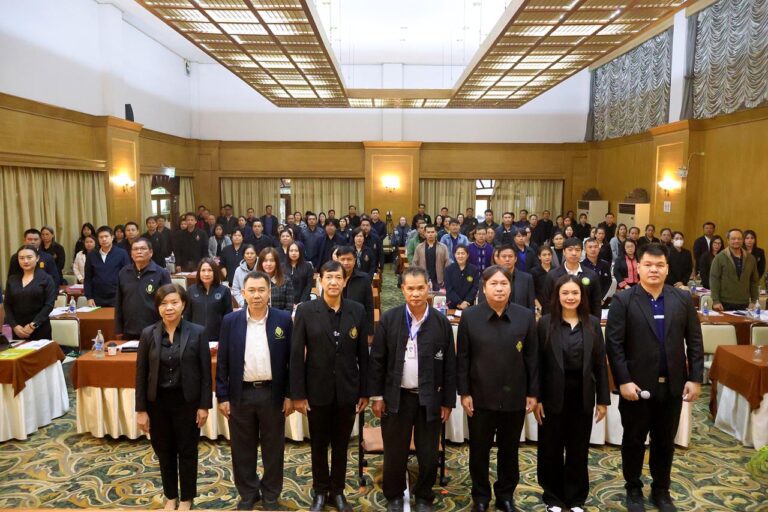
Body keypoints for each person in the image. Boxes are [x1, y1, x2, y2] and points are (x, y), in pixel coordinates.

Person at [606, 243, 704, 512]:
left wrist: (695, 378)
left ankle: (661, 490)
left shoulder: (681, 299)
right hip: (636, 388)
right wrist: (623, 380)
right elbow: (614, 345)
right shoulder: (624, 300)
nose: (654, 270)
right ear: (638, 267)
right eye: (648, 264)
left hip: (672, 386)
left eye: (660, 265)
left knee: (664, 442)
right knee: (634, 440)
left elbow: (695, 341)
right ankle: (633, 488)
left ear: (667, 269)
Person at [368, 267, 456, 512]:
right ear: (402, 290)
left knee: (428, 453)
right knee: (395, 451)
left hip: (430, 398)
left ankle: (424, 496)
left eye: (420, 288)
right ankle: (394, 495)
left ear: (428, 288)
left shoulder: (440, 322)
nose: (415, 293)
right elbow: (377, 360)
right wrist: (377, 396)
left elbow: (450, 365)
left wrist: (448, 401)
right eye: (410, 288)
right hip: (397, 397)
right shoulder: (390, 319)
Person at [457, 265, 538, 512]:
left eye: (504, 283)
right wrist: (464, 392)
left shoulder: (525, 316)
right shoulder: (470, 317)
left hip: (514, 397)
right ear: (484, 288)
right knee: (479, 450)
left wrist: (533, 393)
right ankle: (481, 496)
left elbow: (532, 358)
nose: (499, 288)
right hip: (480, 397)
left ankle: (505, 495)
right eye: (494, 284)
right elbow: (463, 358)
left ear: (511, 287)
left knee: (509, 450)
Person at [290, 261, 369, 512]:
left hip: (347, 390)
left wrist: (364, 391)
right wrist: (298, 394)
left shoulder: (357, 310)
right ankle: (320, 491)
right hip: (316, 390)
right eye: (329, 277)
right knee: (318, 445)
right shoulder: (306, 310)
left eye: (338, 277)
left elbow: (363, 355)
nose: (333, 282)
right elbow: (296, 355)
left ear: (345, 281)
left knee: (341, 445)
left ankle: (338, 491)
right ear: (320, 280)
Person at [219, 271, 294, 510]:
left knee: (274, 448)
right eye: (251, 291)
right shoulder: (230, 321)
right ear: (243, 293)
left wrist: (290, 394)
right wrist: (222, 396)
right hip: (240, 394)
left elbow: (292, 361)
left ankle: (271, 494)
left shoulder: (284, 320)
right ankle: (248, 493)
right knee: (242, 449)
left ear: (269, 292)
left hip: (273, 393)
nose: (257, 295)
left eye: (262, 290)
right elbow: (222, 362)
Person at [535, 274, 609, 512]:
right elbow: (537, 365)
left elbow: (600, 364)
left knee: (578, 449)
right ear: (557, 296)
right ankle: (553, 497)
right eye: (565, 293)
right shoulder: (545, 323)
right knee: (551, 449)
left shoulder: (592, 323)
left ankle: (576, 498)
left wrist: (603, 400)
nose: (570, 297)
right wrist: (537, 398)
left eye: (575, 293)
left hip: (582, 396)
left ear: (582, 296)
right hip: (552, 397)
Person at [135, 283, 212, 511]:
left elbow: (205, 373)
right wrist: (141, 410)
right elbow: (141, 374)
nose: (169, 308)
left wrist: (204, 406)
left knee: (187, 451)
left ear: (183, 305)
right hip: (157, 404)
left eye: (174, 302)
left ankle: (186, 497)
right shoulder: (148, 334)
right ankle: (170, 496)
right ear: (158, 307)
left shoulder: (198, 332)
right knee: (164, 452)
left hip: (187, 403)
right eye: (163, 303)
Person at [115, 239, 172, 341]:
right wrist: (118, 329)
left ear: (151, 252)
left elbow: (168, 303)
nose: (139, 251)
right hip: (129, 329)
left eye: (142, 248)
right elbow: (119, 303)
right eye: (135, 249)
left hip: (155, 329)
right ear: (131, 254)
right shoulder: (123, 273)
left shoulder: (161, 273)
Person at [3, 245, 57, 340]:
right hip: (18, 330)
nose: (25, 261)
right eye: (21, 258)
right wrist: (14, 326)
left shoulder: (46, 279)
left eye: (29, 257)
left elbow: (49, 305)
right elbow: (7, 304)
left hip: (40, 329)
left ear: (37, 258)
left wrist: (33, 325)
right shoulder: (12, 279)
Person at [542, 238, 602, 317]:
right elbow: (547, 302)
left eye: (577, 250)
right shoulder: (552, 275)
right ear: (564, 252)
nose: (574, 253)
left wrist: (595, 322)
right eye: (570, 250)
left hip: (585, 319)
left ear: (582, 252)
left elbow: (596, 302)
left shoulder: (591, 275)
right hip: (558, 319)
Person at [710, 229, 760, 311]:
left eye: (739, 239)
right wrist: (716, 301)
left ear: (742, 240)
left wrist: (754, 301)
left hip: (744, 303)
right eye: (733, 239)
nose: (736, 241)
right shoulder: (719, 257)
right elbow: (714, 279)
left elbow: (754, 281)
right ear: (728, 240)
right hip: (724, 303)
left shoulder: (751, 258)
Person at [184, 258, 232, 341]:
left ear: (215, 272)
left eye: (210, 270)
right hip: (195, 338)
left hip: (218, 338)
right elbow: (187, 316)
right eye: (203, 270)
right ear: (199, 273)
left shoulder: (224, 290)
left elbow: (228, 317)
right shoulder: (191, 290)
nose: (206, 274)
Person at [478, 245, 536, 312]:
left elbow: (531, 305)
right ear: (498, 259)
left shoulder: (527, 278)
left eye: (510, 256)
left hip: (519, 316)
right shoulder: (487, 277)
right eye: (504, 256)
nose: (507, 259)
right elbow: (482, 303)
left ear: (515, 259)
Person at [336, 246, 375, 345]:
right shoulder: (332, 279)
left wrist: (370, 331)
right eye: (342, 259)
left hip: (357, 325)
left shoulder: (364, 278)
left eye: (349, 259)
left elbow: (369, 306)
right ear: (337, 260)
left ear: (355, 260)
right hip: (336, 325)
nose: (346, 263)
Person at [85, 226, 131, 307]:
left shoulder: (122, 253)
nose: (104, 239)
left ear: (112, 237)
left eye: (106, 236)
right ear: (98, 239)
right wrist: (89, 297)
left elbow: (128, 276)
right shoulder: (91, 255)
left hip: (116, 296)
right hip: (97, 298)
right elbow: (88, 278)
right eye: (101, 237)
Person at [412, 225, 449, 291]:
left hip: (439, 280)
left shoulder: (443, 247)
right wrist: (417, 277)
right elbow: (415, 263)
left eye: (432, 232)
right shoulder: (419, 247)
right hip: (423, 279)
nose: (430, 234)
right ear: (425, 233)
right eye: (428, 232)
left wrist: (446, 278)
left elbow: (447, 264)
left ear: (436, 233)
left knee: (438, 297)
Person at [444, 245, 479, 310]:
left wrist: (466, 301)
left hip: (468, 304)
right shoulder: (448, 270)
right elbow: (449, 289)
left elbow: (475, 288)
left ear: (467, 255)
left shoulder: (474, 270)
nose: (460, 256)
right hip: (452, 304)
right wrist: (459, 302)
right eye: (458, 253)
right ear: (454, 255)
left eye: (463, 253)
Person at [581, 238, 613, 304]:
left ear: (599, 249)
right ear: (585, 249)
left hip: (602, 300)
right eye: (590, 247)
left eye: (595, 247)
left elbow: (608, 282)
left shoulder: (605, 264)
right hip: (585, 301)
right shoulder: (581, 266)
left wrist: (602, 298)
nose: (593, 249)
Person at [531, 245, 554, 311]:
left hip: (554, 304)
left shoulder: (556, 270)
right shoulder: (534, 271)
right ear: (539, 257)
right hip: (539, 305)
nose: (547, 257)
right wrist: (538, 306)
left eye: (549, 254)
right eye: (544, 255)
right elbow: (532, 291)